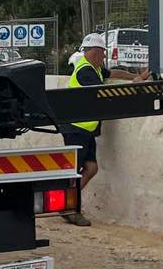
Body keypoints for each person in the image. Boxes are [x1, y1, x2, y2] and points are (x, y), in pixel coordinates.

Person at [60, 32, 149, 226]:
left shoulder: (96, 69)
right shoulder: (85, 71)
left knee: (91, 168)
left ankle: (68, 205)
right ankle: (69, 208)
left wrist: (135, 76)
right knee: (74, 172)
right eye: (101, 53)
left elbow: (114, 73)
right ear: (93, 52)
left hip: (86, 129)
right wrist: (134, 85)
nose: (103, 57)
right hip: (76, 128)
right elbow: (105, 93)